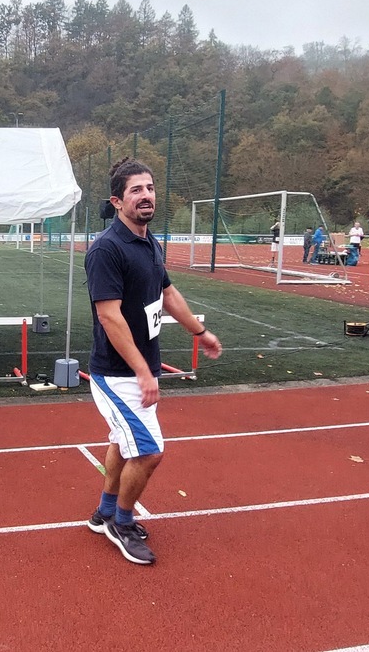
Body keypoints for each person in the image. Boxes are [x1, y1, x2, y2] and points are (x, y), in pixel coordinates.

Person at [83, 157, 222, 565]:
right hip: (115, 374)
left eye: (150, 188)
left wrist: (199, 331)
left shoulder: (148, 240)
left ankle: (106, 512)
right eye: (136, 191)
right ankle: (122, 523)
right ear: (117, 201)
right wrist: (144, 372)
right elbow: (109, 316)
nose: (146, 196)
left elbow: (168, 293)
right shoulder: (107, 249)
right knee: (149, 451)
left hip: (139, 369)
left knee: (121, 444)